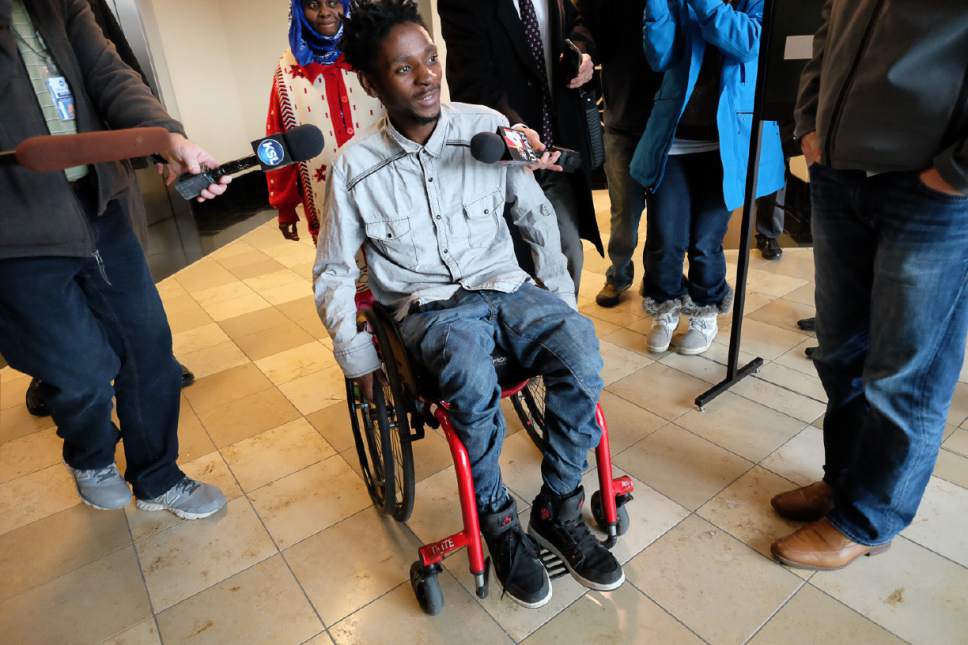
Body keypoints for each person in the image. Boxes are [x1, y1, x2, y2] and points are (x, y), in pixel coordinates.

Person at [314, 0, 624, 608]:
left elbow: (533, 217)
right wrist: (358, 357)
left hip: (506, 285)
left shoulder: (484, 126)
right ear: (372, 83)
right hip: (432, 309)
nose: (427, 74)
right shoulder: (354, 169)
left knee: (582, 349)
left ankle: (558, 506)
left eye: (431, 57)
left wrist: (561, 302)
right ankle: (497, 520)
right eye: (405, 69)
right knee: (469, 378)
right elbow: (331, 269)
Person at [0, 0, 230, 518]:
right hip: (17, 234)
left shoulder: (61, 6)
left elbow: (109, 74)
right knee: (79, 371)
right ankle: (90, 455)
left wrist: (166, 137)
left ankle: (158, 477)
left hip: (99, 205)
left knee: (150, 350)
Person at [770, 0, 968, 571]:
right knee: (840, 351)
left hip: (932, 189)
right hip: (839, 172)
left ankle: (869, 519)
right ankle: (845, 486)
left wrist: (956, 172)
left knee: (906, 374)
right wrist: (809, 123)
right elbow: (829, 29)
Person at [631, 0, 784, 355]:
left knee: (705, 242)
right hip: (675, 138)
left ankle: (704, 311)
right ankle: (664, 307)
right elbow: (660, 57)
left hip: (728, 143)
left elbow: (749, 44)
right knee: (665, 238)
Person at [437, 0, 604, 293]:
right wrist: (518, 134)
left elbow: (579, 21)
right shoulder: (462, 5)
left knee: (567, 255)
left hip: (556, 151)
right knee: (520, 268)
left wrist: (582, 52)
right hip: (508, 158)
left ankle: (561, 328)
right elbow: (473, 83)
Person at [265, 0, 384, 243]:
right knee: (340, 272)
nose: (325, 12)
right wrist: (284, 206)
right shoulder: (287, 72)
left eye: (333, 2)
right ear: (298, 11)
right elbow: (277, 144)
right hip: (328, 200)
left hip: (385, 192)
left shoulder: (374, 55)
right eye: (313, 4)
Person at [574, 0, 663, 308]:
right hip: (622, 120)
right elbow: (588, 29)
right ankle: (619, 274)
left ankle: (658, 280)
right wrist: (582, 52)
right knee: (624, 213)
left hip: (668, 123)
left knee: (666, 215)